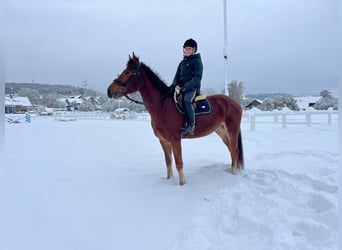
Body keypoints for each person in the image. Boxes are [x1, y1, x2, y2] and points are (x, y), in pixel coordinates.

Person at [171, 38, 203, 136]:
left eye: (190, 49)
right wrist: (174, 86)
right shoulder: (182, 63)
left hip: (192, 88)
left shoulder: (197, 62)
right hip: (180, 88)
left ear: (193, 50)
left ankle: (191, 125)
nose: (187, 50)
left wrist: (185, 87)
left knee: (186, 100)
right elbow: (176, 77)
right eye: (186, 48)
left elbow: (197, 78)